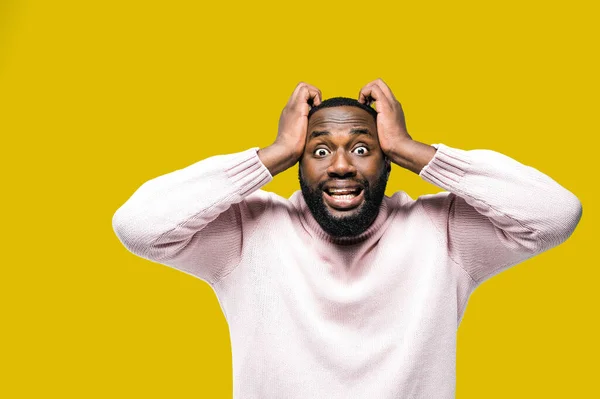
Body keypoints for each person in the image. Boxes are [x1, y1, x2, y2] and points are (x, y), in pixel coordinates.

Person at [112, 79, 582, 398]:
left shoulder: (443, 233)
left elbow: (556, 214)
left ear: (387, 162)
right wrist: (268, 156)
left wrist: (416, 150)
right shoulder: (247, 235)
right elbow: (139, 226)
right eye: (319, 151)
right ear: (299, 163)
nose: (340, 166)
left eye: (363, 148)